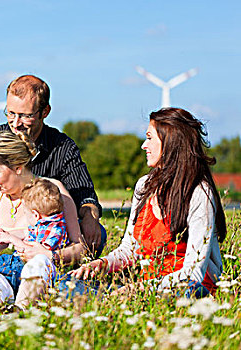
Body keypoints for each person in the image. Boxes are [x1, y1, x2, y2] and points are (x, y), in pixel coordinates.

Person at [69, 108, 226, 298]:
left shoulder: (199, 192)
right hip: (144, 286)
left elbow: (194, 272)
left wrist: (143, 289)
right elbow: (130, 249)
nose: (144, 145)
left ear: (171, 142)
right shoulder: (144, 185)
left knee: (185, 291)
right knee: (66, 284)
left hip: (185, 286)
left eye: (150, 138)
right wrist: (101, 264)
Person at [0, 75, 103, 257]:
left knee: (96, 231)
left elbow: (83, 194)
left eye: (25, 116)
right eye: (10, 113)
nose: (16, 123)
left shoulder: (62, 147)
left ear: (45, 111)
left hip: (49, 233)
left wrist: (90, 218)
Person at [0, 131, 85, 299]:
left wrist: (50, 255)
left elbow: (80, 247)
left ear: (18, 168)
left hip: (41, 275)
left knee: (70, 288)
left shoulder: (51, 191)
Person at [0, 178, 70, 309]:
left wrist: (12, 240)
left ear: (35, 215)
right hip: (15, 270)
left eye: (26, 214)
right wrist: (3, 235)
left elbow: (35, 252)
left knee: (39, 261)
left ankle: (21, 308)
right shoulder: (42, 224)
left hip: (36, 277)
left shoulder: (55, 229)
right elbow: (26, 233)